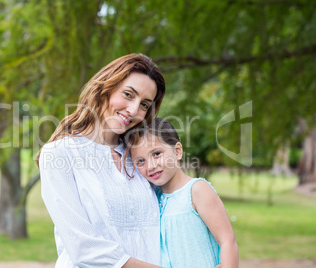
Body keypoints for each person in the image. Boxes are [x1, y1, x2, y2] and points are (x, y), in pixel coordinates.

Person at [37, 54, 166, 268]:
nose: (133, 110)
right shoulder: (59, 154)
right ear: (105, 88)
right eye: (127, 94)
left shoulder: (140, 157)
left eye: (144, 104)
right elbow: (83, 248)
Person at [128, 117, 239, 268]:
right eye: (141, 161)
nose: (151, 166)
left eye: (156, 154)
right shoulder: (153, 199)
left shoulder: (196, 190)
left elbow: (227, 241)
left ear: (177, 151)